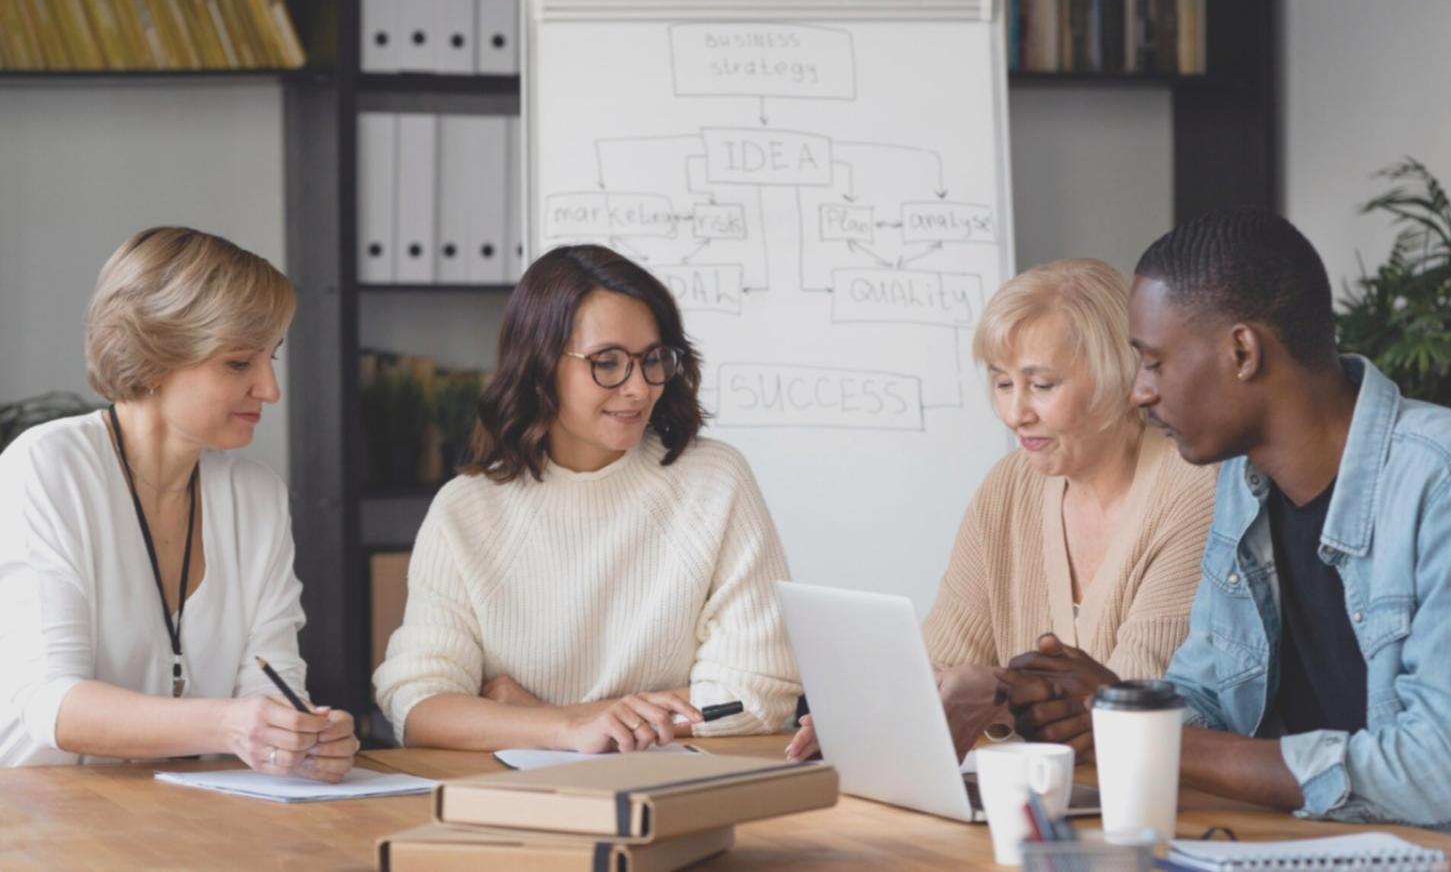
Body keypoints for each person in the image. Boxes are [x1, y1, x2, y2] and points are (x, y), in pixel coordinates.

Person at [1010, 210, 1451, 849]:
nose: (1139, 392)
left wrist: (1154, 734)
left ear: (1243, 352)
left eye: (1154, 363)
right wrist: (1112, 709)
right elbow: (1210, 696)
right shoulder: (1243, 481)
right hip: (1294, 851)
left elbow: (1444, 781)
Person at [373, 244, 800, 753]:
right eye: (608, 363)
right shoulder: (466, 509)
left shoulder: (714, 480)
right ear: (540, 365)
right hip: (519, 802)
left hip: (675, 790)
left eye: (652, 360)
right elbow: (419, 705)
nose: (639, 388)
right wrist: (569, 730)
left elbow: (758, 692)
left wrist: (542, 716)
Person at [787, 258, 1217, 761]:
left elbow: (1130, 704)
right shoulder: (1008, 485)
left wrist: (992, 691)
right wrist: (880, 709)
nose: (1015, 414)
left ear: (1119, 377)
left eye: (1042, 384)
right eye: (1003, 382)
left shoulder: (1193, 491)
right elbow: (942, 661)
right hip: (1040, 798)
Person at [0, 227, 358, 780]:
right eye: (239, 363)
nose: (270, 388)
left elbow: (271, 685)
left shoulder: (256, 495)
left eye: (272, 359)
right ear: (152, 358)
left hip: (193, 815)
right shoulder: (49, 467)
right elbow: (54, 703)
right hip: (40, 819)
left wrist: (302, 736)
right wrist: (232, 725)